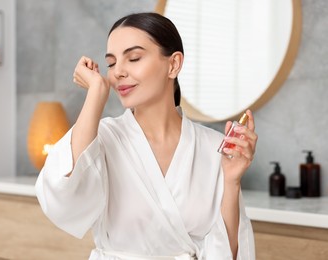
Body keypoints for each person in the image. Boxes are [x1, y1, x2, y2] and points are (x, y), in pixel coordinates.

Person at [36, 12, 257, 260]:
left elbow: (229, 252)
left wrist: (232, 181)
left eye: (134, 58)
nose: (118, 71)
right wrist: (97, 91)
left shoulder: (213, 147)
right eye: (111, 63)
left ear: (173, 64)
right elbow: (62, 196)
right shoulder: (103, 139)